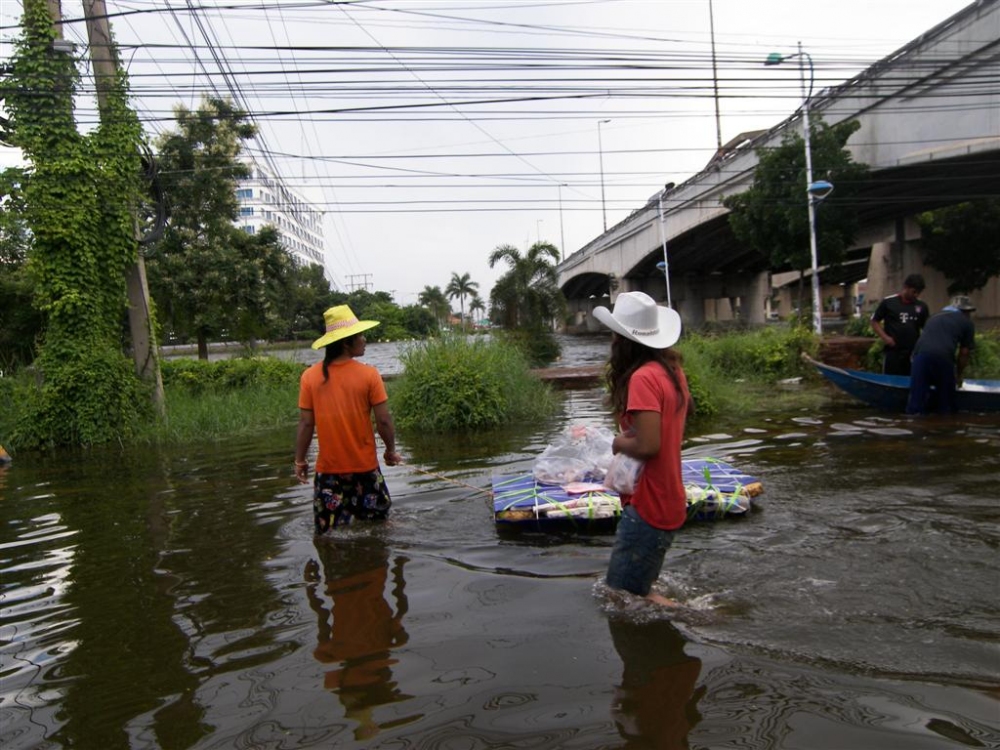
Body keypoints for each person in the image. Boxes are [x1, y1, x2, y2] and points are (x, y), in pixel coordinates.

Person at [593, 291, 690, 606]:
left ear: (622, 338)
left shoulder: (643, 378)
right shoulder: (671, 371)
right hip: (669, 498)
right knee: (635, 592)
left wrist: (618, 441)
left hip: (650, 504)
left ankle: (705, 620)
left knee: (620, 595)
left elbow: (648, 445)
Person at [295, 305, 402, 533]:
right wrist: (391, 450)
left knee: (328, 534)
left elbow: (305, 424)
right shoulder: (369, 375)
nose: (364, 339)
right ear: (346, 342)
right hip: (365, 470)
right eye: (360, 335)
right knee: (380, 530)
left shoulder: (309, 377)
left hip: (328, 475)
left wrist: (300, 461)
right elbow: (383, 421)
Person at [906, 295, 976, 415]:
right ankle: (943, 428)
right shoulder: (967, 323)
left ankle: (913, 427)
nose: (969, 315)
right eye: (968, 312)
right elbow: (964, 353)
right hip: (943, 357)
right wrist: (958, 375)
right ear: (964, 311)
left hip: (920, 356)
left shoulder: (933, 317)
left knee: (916, 403)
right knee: (946, 404)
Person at [870, 273, 929, 376]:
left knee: (912, 380)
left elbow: (926, 329)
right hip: (893, 352)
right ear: (906, 287)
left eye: (918, 292)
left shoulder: (921, 306)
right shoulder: (888, 302)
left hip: (912, 352)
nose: (916, 295)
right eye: (914, 292)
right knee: (890, 380)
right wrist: (885, 338)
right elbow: (874, 321)